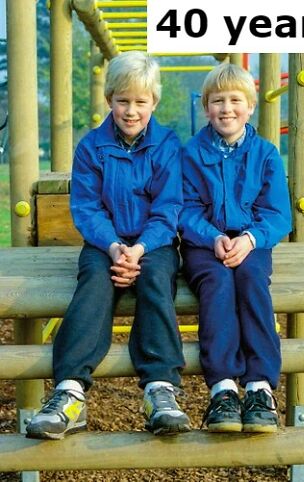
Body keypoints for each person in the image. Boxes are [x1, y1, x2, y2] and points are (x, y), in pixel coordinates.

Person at [26, 51, 190, 439]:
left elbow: (169, 208)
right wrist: (115, 246)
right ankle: (69, 391)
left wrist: (141, 248)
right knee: (94, 283)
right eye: (122, 101)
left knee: (154, 280)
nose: (131, 111)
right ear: (109, 101)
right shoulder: (91, 147)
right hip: (106, 243)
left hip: (155, 242)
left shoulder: (167, 145)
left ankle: (160, 388)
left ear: (154, 103)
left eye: (140, 102)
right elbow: (86, 207)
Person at [179, 63, 291, 433]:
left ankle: (260, 387)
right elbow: (185, 208)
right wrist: (212, 237)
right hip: (204, 243)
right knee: (217, 285)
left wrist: (250, 239)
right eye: (217, 101)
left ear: (251, 106)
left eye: (235, 100)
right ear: (205, 107)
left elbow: (276, 213)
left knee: (251, 281)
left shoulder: (265, 153)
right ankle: (223, 387)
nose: (226, 108)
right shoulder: (192, 153)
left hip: (251, 241)